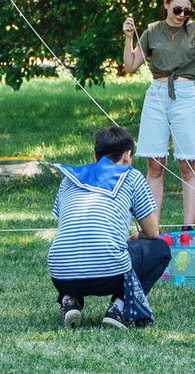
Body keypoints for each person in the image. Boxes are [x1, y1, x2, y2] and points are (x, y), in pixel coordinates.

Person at [50, 124, 170, 329]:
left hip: (61, 274)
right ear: (127, 156)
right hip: (110, 274)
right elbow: (152, 232)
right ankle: (120, 308)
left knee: (76, 247)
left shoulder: (68, 179)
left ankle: (70, 299)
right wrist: (134, 238)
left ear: (95, 156)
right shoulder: (131, 176)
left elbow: (69, 227)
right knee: (160, 249)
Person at [121, 0, 195, 229]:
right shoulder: (153, 31)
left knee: (188, 163)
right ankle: (152, 227)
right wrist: (128, 37)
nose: (182, 15)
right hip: (157, 94)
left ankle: (188, 227)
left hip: (185, 95)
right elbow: (131, 65)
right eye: (177, 9)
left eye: (187, 11)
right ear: (166, 4)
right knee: (155, 164)